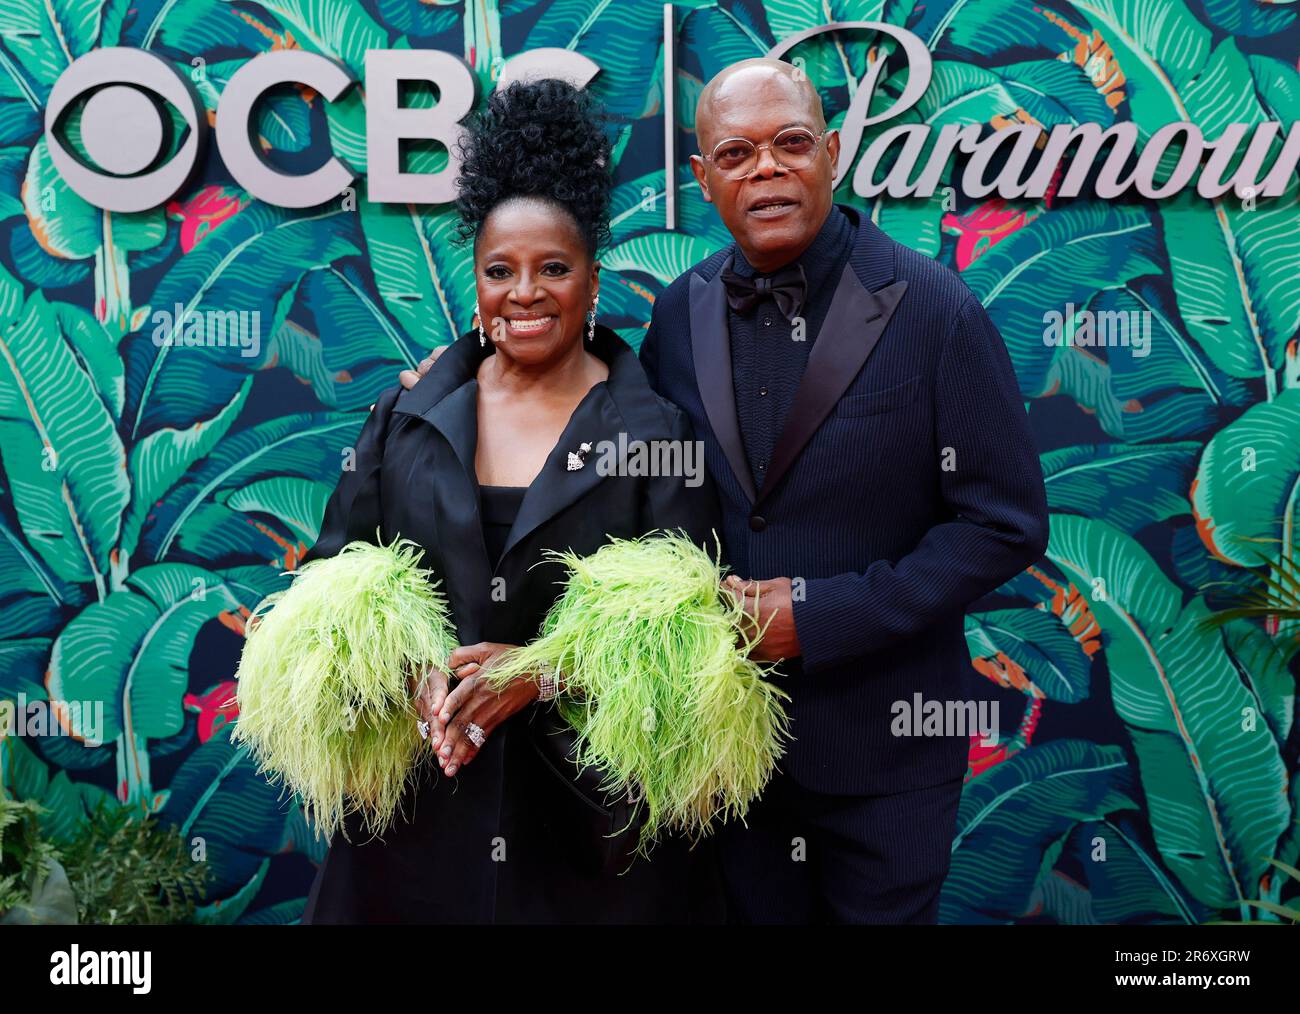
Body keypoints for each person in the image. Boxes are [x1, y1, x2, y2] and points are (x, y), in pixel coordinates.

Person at [402, 58, 1049, 924]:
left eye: (790, 144)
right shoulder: (684, 310)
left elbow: (1002, 526)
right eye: (737, 154)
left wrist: (816, 617)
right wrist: (448, 384)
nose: (767, 170)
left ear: (831, 152)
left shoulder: (936, 310)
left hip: (881, 756)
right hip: (715, 761)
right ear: (704, 180)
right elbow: (604, 452)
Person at [302, 78, 725, 924]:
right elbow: (329, 586)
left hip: (590, 834)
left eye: (552, 268)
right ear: (477, 281)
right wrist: (406, 671)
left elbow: (693, 639)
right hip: (417, 818)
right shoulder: (406, 416)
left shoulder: (657, 430)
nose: (524, 292)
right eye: (501, 270)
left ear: (592, 278)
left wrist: (534, 675)